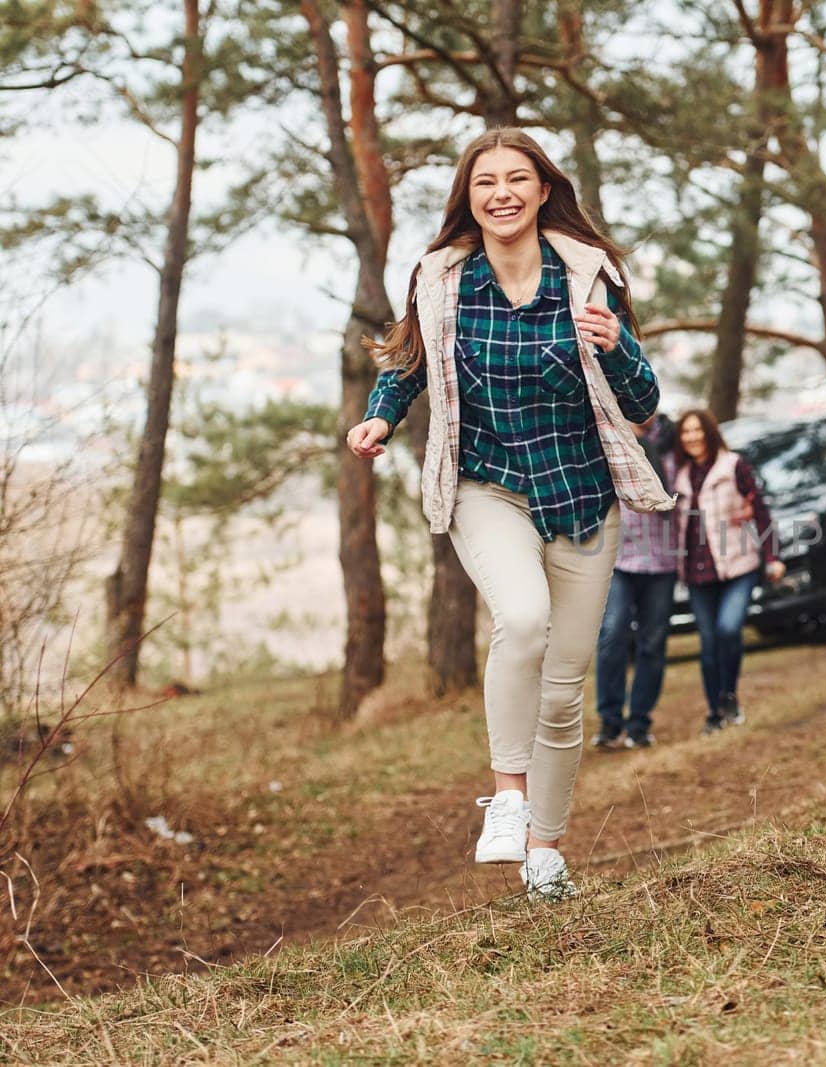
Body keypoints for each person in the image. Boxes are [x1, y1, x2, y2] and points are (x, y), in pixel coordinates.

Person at [344, 128, 670, 900]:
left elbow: (644, 403)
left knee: (563, 691)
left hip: (582, 498)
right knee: (521, 620)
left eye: (517, 178)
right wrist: (380, 418)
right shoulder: (443, 278)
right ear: (470, 197)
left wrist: (618, 344)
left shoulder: (589, 276)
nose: (502, 192)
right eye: (486, 181)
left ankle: (547, 850)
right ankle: (508, 799)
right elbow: (410, 363)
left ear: (543, 189)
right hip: (487, 485)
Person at [673, 409, 785, 735]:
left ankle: (730, 695)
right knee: (708, 643)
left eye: (697, 430)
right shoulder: (678, 475)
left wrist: (772, 556)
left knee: (728, 628)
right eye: (686, 432)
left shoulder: (733, 465)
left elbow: (760, 511)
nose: (692, 437)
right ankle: (715, 711)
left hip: (738, 564)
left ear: (708, 432)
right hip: (697, 572)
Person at [591, 415, 678, 750]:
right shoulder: (610, 437)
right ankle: (610, 723)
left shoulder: (672, 442)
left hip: (663, 557)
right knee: (612, 634)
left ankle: (639, 723)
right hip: (618, 559)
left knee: (653, 643)